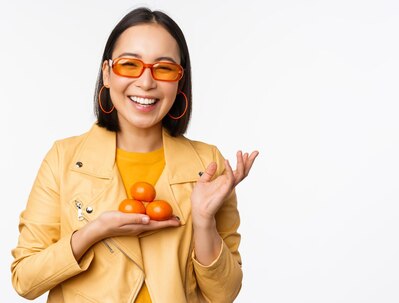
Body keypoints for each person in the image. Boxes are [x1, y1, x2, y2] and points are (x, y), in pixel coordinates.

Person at [10, 7, 258, 303]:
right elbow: (25, 280)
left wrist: (203, 220)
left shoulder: (207, 165)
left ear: (179, 81)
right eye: (130, 65)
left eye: (164, 68)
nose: (146, 82)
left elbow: (224, 294)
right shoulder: (64, 159)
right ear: (107, 74)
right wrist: (94, 232)